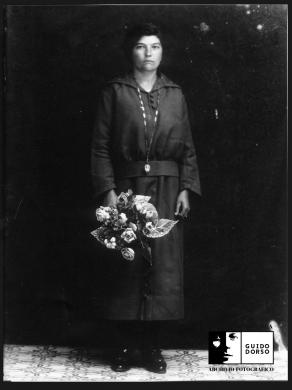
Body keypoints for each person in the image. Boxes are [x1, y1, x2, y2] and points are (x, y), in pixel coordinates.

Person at [91, 22, 201, 373]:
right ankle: (124, 347)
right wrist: (107, 191)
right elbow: (100, 146)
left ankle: (152, 348)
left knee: (163, 267)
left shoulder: (175, 93)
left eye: (155, 46)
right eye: (141, 46)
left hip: (168, 188)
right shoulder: (115, 91)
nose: (148, 53)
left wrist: (186, 186)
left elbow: (186, 145)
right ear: (131, 51)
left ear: (162, 52)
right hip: (127, 187)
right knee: (128, 264)